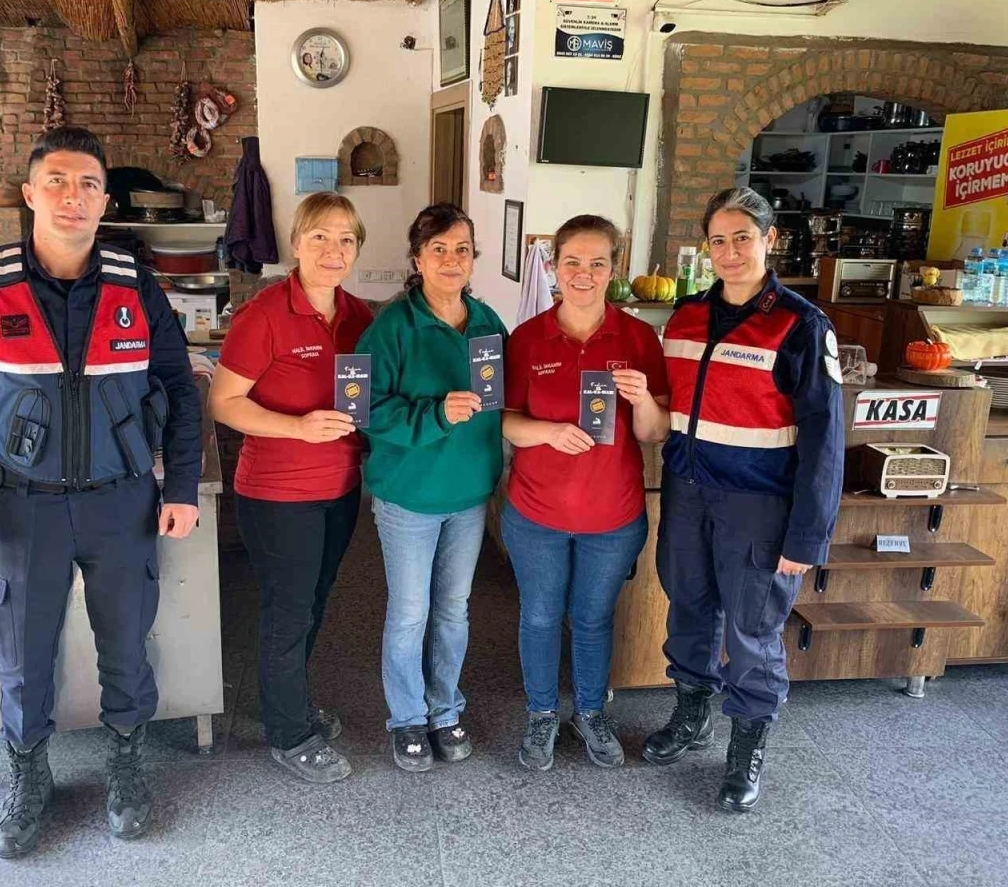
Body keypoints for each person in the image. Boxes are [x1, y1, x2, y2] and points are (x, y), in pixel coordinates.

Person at [0, 127, 202, 858]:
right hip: (19, 505)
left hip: (122, 502)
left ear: (104, 201)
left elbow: (180, 388)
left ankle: (126, 766)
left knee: (127, 644)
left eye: (87, 185)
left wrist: (182, 486)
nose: (72, 197)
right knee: (21, 652)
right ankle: (29, 775)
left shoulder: (137, 285)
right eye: (57, 181)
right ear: (30, 193)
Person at [642, 187, 844, 812]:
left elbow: (825, 441)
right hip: (687, 493)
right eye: (718, 241)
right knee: (688, 607)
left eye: (743, 238)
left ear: (769, 240)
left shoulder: (801, 325)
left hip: (759, 505)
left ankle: (746, 746)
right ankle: (692, 713)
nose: (730, 252)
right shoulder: (685, 318)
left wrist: (807, 536)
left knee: (752, 630)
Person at [210, 191, 373, 784]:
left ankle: (289, 701)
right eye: (320, 237)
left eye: (346, 239)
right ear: (298, 244)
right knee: (289, 610)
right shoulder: (264, 315)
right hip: (278, 494)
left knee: (316, 602)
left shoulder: (359, 316)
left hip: (341, 488)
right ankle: (288, 732)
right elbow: (223, 402)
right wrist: (297, 427)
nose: (334, 250)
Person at [501, 215, 670, 771]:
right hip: (536, 513)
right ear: (554, 266)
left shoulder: (638, 338)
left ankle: (591, 712)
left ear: (614, 269)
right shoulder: (527, 338)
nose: (584, 273)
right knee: (540, 617)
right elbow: (506, 421)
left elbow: (654, 432)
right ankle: (542, 713)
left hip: (613, 516)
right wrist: (548, 432)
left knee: (594, 618)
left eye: (598, 263)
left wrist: (642, 399)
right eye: (572, 261)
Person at [356, 204, 508, 772]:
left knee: (453, 610)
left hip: (469, 496)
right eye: (438, 249)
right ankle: (407, 718)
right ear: (417, 259)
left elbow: (506, 402)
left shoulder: (489, 323)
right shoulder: (390, 327)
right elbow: (362, 409)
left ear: (473, 259)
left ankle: (444, 708)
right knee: (410, 613)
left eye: (461, 249)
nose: (451, 260)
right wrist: (436, 413)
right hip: (409, 496)